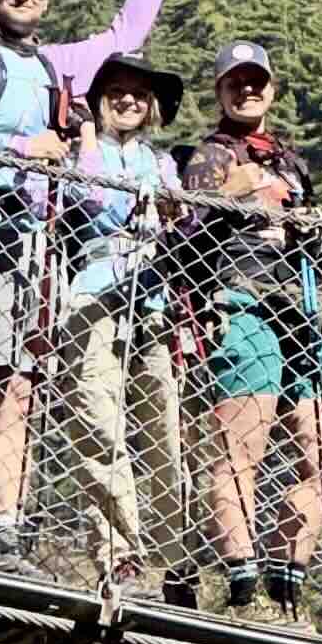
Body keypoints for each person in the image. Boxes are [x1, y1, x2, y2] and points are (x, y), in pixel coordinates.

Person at [0, 0, 190, 568]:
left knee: (22, 382)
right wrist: (24, 150)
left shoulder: (52, 65)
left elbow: (123, 37)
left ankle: (6, 525)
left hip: (38, 245)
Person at [176, 44, 322, 625]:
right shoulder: (211, 155)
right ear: (220, 91)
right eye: (236, 82)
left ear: (271, 89)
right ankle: (244, 588)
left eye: (257, 82)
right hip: (240, 299)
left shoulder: (288, 159)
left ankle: (285, 579)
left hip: (297, 309)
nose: (247, 91)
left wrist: (309, 228)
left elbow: (312, 241)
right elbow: (182, 234)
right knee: (240, 451)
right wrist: (229, 196)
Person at [54, 53, 195, 608]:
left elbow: (180, 219)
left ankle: (172, 559)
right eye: (116, 91)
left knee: (164, 431)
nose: (129, 100)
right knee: (98, 421)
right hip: (94, 293)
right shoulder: (78, 152)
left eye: (139, 93)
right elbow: (87, 199)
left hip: (152, 303)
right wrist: (90, 135)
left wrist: (169, 208)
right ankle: (120, 554)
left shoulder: (160, 163)